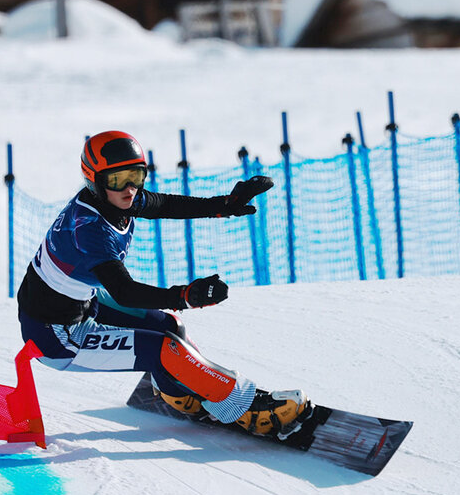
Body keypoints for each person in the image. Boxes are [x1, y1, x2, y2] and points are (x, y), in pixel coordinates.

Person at [17, 130, 310, 439]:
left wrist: (224, 205)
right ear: (94, 180)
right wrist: (184, 295)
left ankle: (177, 394)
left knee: (171, 326)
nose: (130, 189)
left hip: (80, 303)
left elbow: (164, 205)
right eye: (118, 179)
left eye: (136, 175)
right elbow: (125, 292)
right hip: (55, 337)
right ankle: (248, 409)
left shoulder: (113, 200)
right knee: (164, 350)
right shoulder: (90, 229)